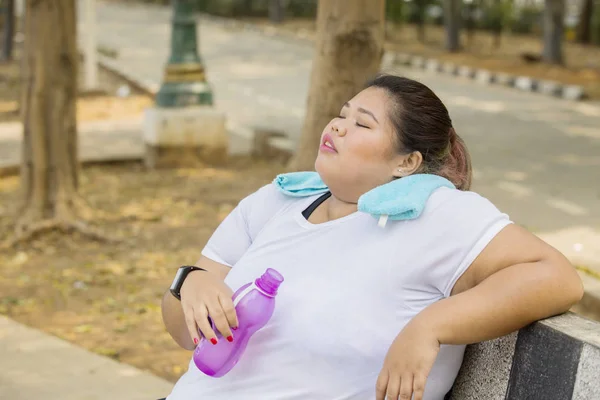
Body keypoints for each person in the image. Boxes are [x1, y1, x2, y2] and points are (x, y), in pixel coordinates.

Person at [160, 74, 584, 400]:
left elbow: (555, 277)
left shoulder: (435, 214)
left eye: (362, 124)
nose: (338, 126)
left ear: (407, 162)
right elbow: (182, 332)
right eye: (342, 114)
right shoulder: (276, 201)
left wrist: (430, 327)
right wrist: (190, 281)